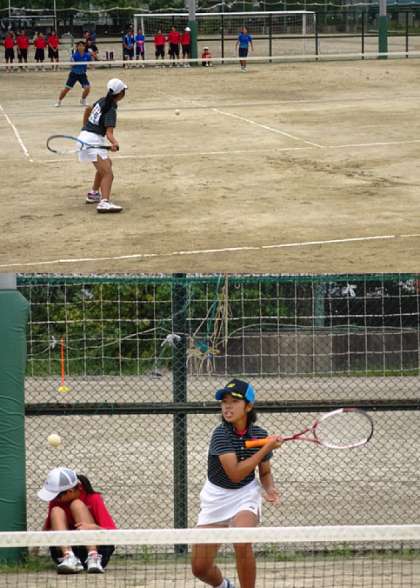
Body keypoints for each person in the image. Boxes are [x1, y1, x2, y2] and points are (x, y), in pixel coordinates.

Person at [191, 379, 282, 588]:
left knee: (242, 540)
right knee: (200, 568)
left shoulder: (260, 435)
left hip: (245, 495)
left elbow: (265, 472)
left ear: (248, 406)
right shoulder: (220, 434)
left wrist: (269, 488)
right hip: (215, 498)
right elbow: (235, 474)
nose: (227, 407)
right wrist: (265, 448)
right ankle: (224, 586)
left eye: (234, 401)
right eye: (224, 402)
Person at [37, 467, 116, 574]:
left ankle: (93, 557)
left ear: (69, 491)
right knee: (56, 511)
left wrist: (93, 528)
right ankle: (68, 557)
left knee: (76, 504)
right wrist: (35, 547)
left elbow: (112, 533)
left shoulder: (93, 498)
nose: (54, 499)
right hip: (64, 555)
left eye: (56, 496)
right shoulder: (55, 502)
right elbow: (48, 528)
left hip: (99, 552)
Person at [77, 77, 127, 213]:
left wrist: (85, 127)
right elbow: (109, 134)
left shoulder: (102, 101)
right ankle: (104, 202)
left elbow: (88, 109)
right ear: (121, 94)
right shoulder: (111, 109)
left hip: (86, 137)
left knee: (107, 164)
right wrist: (115, 144)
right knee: (108, 174)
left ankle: (94, 193)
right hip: (92, 140)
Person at [55, 40, 92, 107]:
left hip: (82, 74)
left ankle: (83, 100)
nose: (81, 47)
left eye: (82, 46)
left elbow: (91, 64)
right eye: (79, 46)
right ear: (77, 47)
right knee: (67, 89)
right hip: (74, 74)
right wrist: (72, 62)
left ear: (84, 47)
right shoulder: (74, 55)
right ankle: (59, 101)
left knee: (87, 88)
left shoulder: (87, 55)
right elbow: (71, 66)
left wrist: (92, 58)